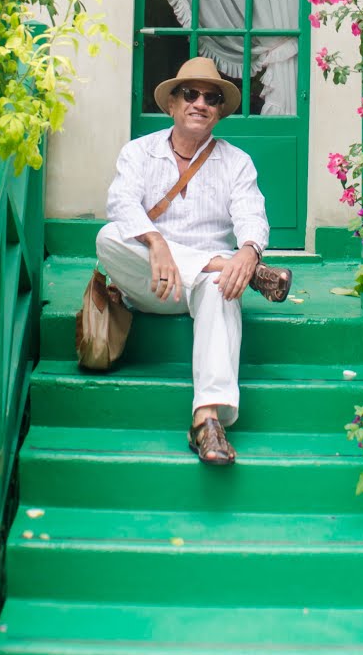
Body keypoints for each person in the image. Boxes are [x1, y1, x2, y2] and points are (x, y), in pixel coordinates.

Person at [94, 56, 292, 466]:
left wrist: (249, 251)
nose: (200, 103)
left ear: (219, 111)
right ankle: (227, 268)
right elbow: (121, 202)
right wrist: (156, 241)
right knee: (109, 237)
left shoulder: (236, 162)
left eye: (212, 97)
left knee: (224, 290)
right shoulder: (138, 153)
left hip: (199, 286)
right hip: (150, 283)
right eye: (191, 94)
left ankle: (206, 421)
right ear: (172, 104)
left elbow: (252, 214)